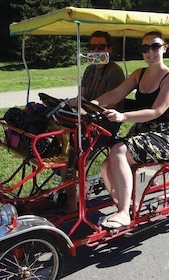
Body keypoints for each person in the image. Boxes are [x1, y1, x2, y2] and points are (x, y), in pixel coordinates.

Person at [93, 31, 169, 228]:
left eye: (155, 46)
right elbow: (115, 94)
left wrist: (123, 116)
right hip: (143, 130)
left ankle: (124, 213)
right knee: (106, 165)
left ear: (165, 48)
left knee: (118, 151)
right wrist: (91, 103)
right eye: (145, 48)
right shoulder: (138, 74)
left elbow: (156, 111)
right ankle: (124, 206)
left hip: (165, 134)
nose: (150, 51)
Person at [64, 31, 125, 213]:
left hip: (105, 124)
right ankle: (69, 190)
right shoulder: (90, 69)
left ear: (110, 49)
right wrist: (73, 102)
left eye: (101, 47)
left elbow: (111, 102)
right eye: (92, 47)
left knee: (76, 153)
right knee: (60, 144)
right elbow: (82, 95)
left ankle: (73, 199)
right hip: (86, 120)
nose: (95, 50)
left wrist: (84, 107)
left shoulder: (115, 72)